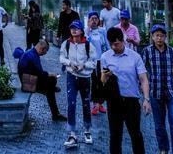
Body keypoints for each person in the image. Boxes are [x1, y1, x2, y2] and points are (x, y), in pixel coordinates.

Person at [100, 27, 150, 154]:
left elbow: (143, 79)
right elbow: (102, 81)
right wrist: (105, 76)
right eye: (111, 44)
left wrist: (146, 99)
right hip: (113, 102)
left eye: (116, 44)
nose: (114, 47)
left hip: (131, 101)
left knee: (136, 135)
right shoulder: (105, 57)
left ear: (123, 41)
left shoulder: (135, 57)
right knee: (115, 136)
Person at [143, 24, 173, 154]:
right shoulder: (147, 51)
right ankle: (163, 148)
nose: (159, 38)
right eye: (157, 35)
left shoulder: (172, 51)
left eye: (162, 36)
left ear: (165, 37)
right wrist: (145, 95)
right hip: (155, 92)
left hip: (172, 91)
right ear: (152, 37)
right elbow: (142, 73)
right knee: (159, 125)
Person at [59, 20, 98, 148]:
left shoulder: (88, 45)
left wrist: (83, 66)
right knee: (71, 104)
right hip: (71, 77)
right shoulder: (66, 44)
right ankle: (72, 134)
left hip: (85, 78)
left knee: (86, 104)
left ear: (81, 30)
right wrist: (69, 63)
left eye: (76, 28)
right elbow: (61, 57)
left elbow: (94, 62)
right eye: (72, 28)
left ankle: (87, 131)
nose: (74, 30)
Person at [16, 39, 67, 122]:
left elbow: (38, 72)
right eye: (45, 52)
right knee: (52, 81)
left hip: (27, 79)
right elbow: (41, 73)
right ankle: (55, 114)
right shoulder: (33, 56)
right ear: (42, 49)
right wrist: (51, 74)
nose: (45, 54)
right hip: (27, 84)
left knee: (50, 85)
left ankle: (56, 114)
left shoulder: (31, 52)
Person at [85, 10, 109, 115]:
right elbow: (84, 43)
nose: (94, 21)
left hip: (102, 60)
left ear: (99, 20)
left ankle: (101, 103)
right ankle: (95, 104)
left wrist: (109, 57)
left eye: (96, 18)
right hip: (92, 61)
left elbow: (107, 45)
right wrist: (88, 29)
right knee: (94, 83)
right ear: (88, 20)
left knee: (102, 82)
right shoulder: (86, 31)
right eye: (92, 19)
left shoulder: (103, 31)